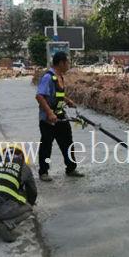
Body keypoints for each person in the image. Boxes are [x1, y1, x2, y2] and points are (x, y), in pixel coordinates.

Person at [35, 51, 84, 182]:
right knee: (46, 146)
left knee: (68, 143)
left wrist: (67, 100)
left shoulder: (60, 77)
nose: (68, 65)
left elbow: (57, 94)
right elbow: (40, 96)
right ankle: (43, 171)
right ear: (61, 63)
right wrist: (49, 113)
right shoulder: (48, 77)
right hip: (48, 120)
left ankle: (71, 168)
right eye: (67, 62)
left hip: (61, 117)